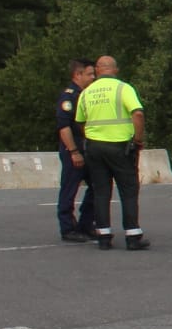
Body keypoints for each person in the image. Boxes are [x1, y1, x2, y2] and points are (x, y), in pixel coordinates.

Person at [75, 54, 148, 250]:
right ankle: (133, 236)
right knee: (128, 190)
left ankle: (104, 236)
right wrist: (138, 140)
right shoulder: (123, 88)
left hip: (94, 147)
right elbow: (138, 113)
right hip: (120, 145)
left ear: (97, 70)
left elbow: (80, 121)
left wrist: (92, 137)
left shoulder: (87, 92)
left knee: (101, 191)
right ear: (115, 70)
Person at [54, 57, 98, 242]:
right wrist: (74, 151)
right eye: (89, 74)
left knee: (97, 186)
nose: (93, 77)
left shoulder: (86, 94)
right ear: (77, 74)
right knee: (69, 189)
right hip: (74, 149)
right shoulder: (69, 96)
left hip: (88, 149)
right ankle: (68, 228)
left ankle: (86, 224)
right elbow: (64, 127)